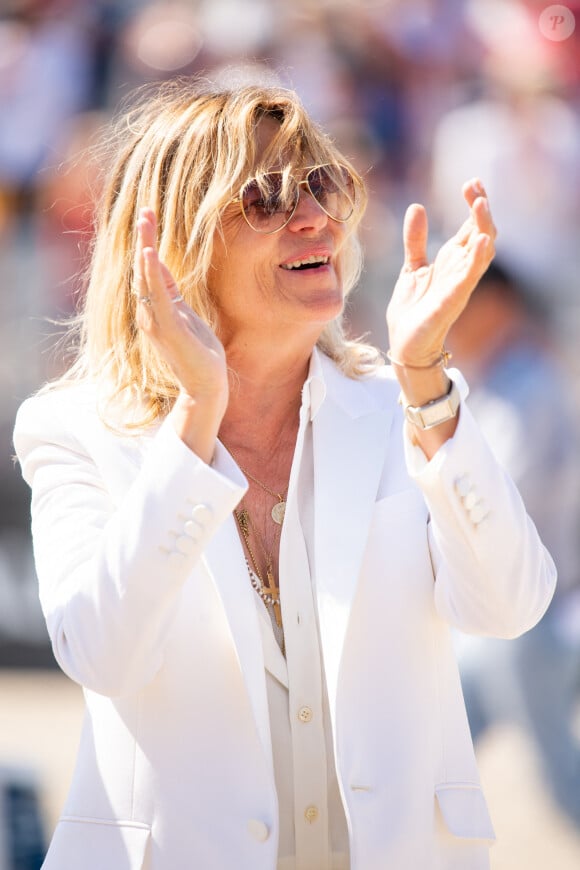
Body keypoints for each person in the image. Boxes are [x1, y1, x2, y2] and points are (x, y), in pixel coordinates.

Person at [13, 76, 555, 870]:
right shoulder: (74, 427)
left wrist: (427, 380)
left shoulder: (405, 402)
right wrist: (198, 416)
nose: (313, 219)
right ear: (172, 245)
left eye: (323, 184)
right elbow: (104, 655)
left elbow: (510, 606)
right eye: (266, 198)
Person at [448, 261, 580, 828]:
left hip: (534, 622)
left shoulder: (528, 385)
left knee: (561, 782)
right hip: (502, 626)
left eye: (460, 306)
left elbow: (498, 510)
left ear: (497, 304)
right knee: (436, 759)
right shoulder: (498, 381)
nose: (449, 323)